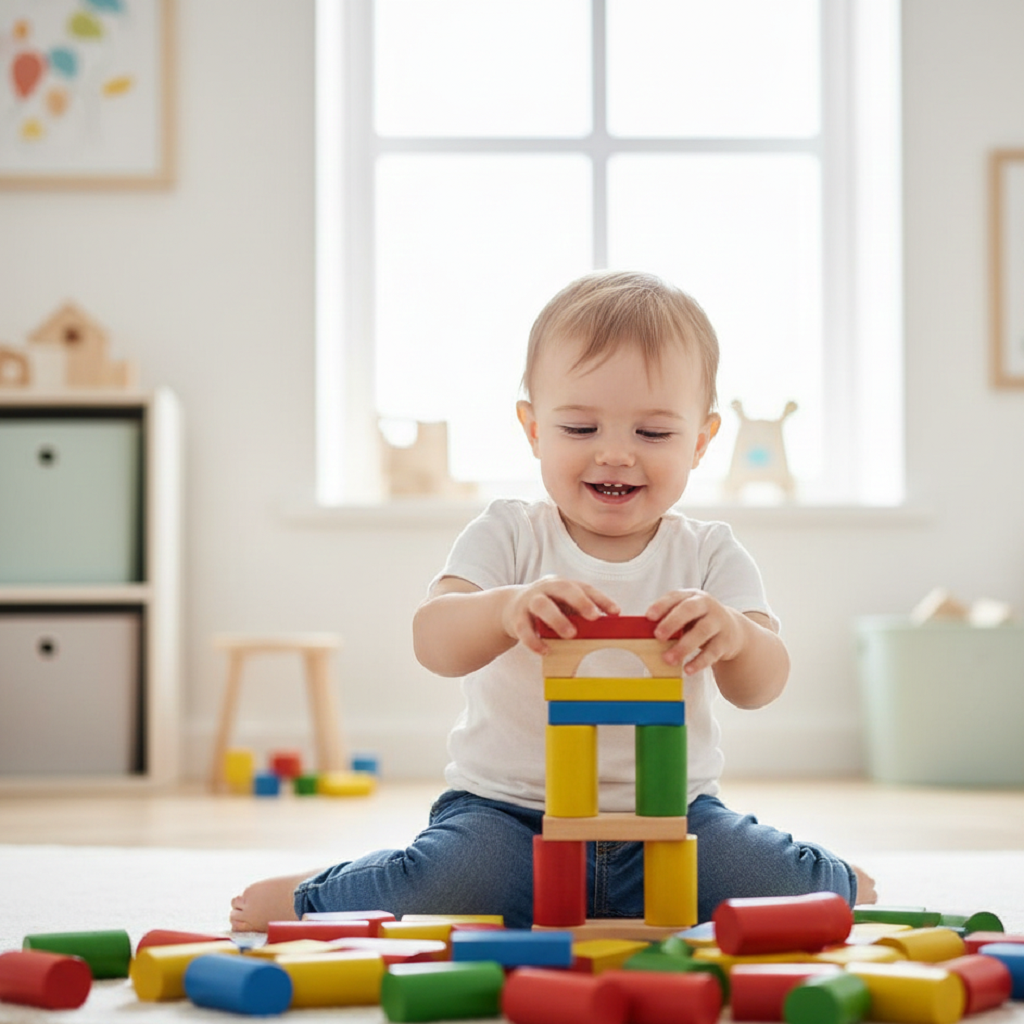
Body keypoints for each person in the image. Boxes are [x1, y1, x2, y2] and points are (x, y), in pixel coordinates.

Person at [230, 270, 876, 932]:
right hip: (511, 817)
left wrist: (736, 635)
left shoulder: (711, 553)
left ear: (701, 441)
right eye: (580, 427)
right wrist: (505, 609)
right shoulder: (509, 533)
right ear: (534, 429)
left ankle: (830, 878)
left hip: (671, 819)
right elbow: (434, 640)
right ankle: (315, 894)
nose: (617, 454)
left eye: (653, 434)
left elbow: (762, 685)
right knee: (459, 881)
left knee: (769, 879)